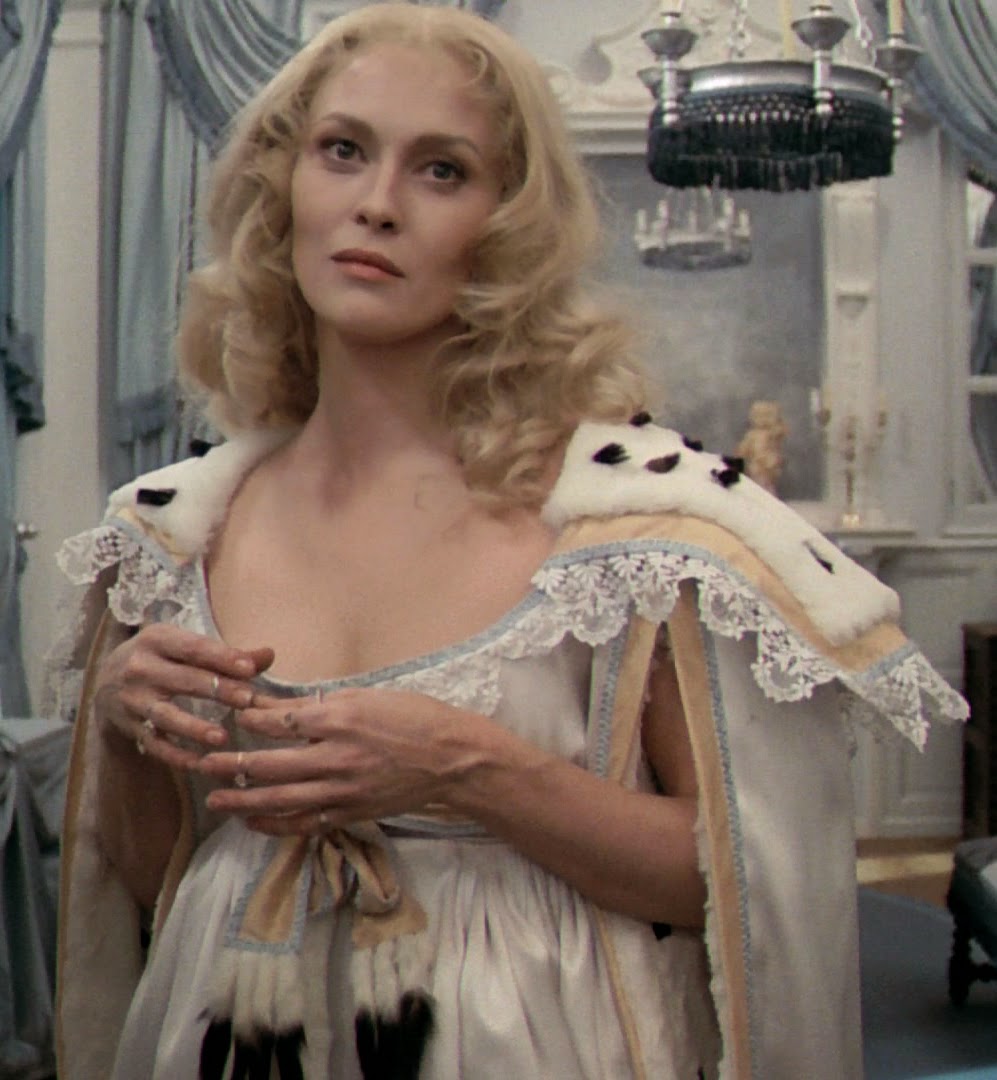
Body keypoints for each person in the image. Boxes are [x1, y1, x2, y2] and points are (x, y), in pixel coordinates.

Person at [51, 5, 967, 1079]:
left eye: (441, 171)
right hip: (229, 1033)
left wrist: (470, 770)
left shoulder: (638, 530)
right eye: (342, 150)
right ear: (280, 183)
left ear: (509, 227)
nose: (377, 203)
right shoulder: (167, 532)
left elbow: (745, 884)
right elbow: (164, 882)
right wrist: (124, 734)